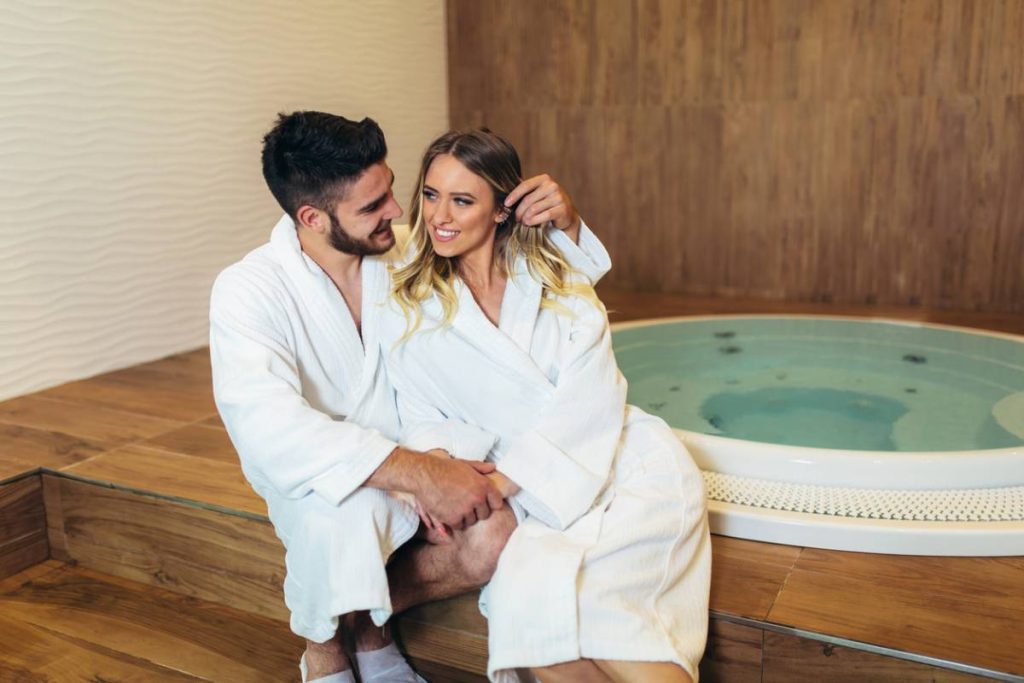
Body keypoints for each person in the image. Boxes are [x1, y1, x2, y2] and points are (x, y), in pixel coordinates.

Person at [209, 112, 611, 683]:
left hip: (425, 444)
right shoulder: (248, 291)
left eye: (393, 191)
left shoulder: (403, 252)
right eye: (373, 205)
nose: (398, 212)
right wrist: (417, 473)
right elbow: (267, 426)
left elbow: (528, 290)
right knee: (342, 520)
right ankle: (327, 650)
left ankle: (370, 625)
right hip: (320, 472)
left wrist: (564, 225)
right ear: (312, 218)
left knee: (494, 533)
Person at [381, 129, 711, 683]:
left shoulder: (558, 283)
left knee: (623, 628)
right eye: (431, 195)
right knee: (535, 630)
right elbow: (418, 410)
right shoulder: (413, 306)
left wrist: (500, 482)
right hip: (538, 499)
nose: (439, 216)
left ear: (501, 211)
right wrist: (438, 462)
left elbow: (593, 399)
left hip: (626, 469)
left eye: (462, 200)